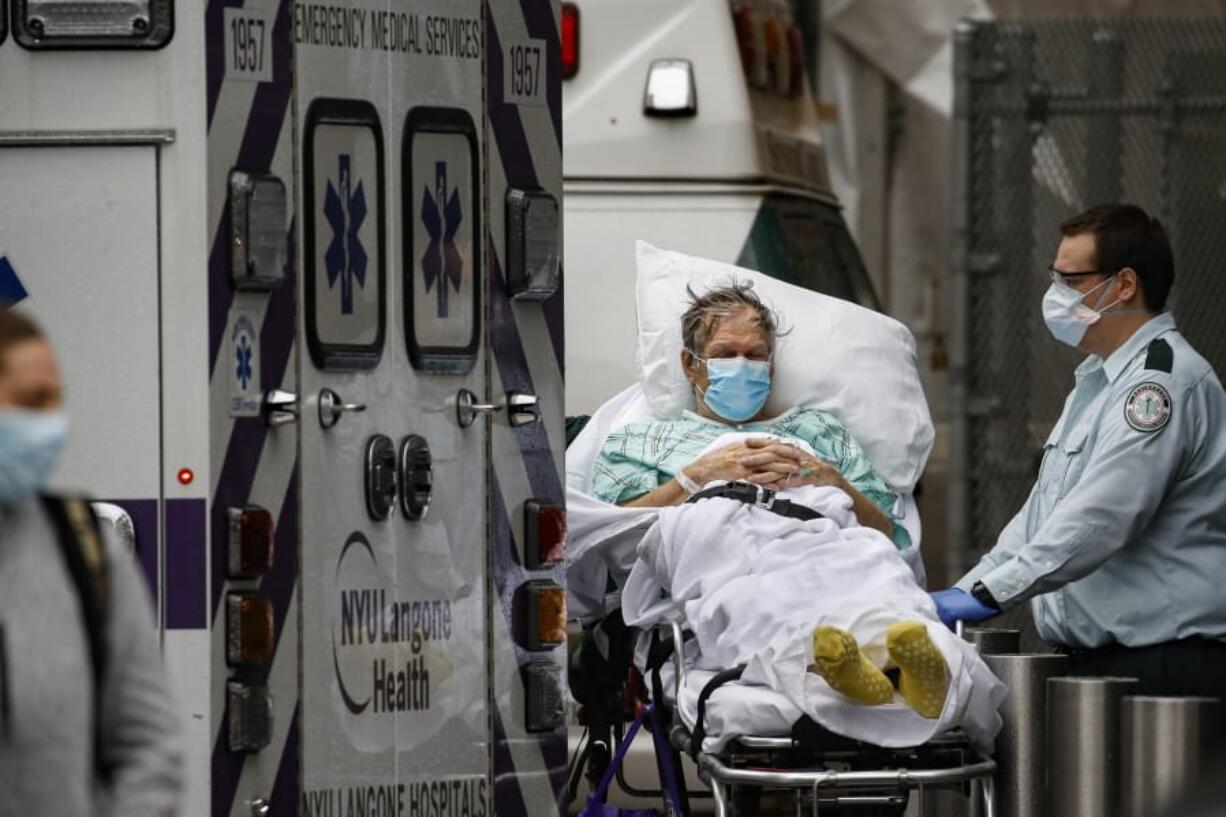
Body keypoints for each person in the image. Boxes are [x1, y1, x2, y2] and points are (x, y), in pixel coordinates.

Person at [932, 203, 1226, 706]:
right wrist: (969, 586)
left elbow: (1101, 517)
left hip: (1165, 667)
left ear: (1124, 284)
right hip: (1108, 663)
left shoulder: (1159, 385)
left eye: (1070, 280)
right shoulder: (1097, 380)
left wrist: (989, 595)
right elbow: (1043, 518)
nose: (1056, 294)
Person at [0, 309, 182, 816]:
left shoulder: (87, 551)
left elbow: (149, 740)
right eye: (31, 403)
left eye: (56, 401)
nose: (50, 424)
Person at [590, 282, 909, 549]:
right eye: (725, 355)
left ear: (770, 366)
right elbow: (610, 536)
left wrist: (834, 482)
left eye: (754, 355)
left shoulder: (821, 432)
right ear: (690, 365)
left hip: (828, 557)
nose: (741, 365)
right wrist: (697, 476)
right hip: (717, 566)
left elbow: (888, 537)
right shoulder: (640, 442)